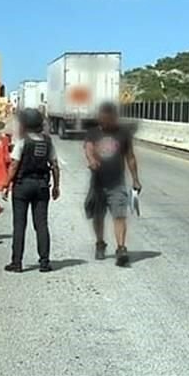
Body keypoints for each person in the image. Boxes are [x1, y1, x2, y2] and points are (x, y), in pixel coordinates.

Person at [83, 102, 141, 266]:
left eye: (108, 118)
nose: (104, 121)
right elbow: (88, 147)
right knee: (98, 216)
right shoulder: (93, 133)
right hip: (98, 184)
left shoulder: (123, 134)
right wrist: (92, 159)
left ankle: (121, 249)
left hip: (117, 183)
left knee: (119, 215)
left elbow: (130, 157)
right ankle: (100, 243)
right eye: (102, 118)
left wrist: (135, 179)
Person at [2, 108, 59, 273]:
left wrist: (6, 184)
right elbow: (54, 166)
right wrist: (56, 186)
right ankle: (44, 262)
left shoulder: (22, 141)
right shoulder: (48, 142)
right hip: (42, 187)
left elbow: (14, 165)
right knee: (41, 224)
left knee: (19, 225)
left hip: (22, 186)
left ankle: (17, 262)